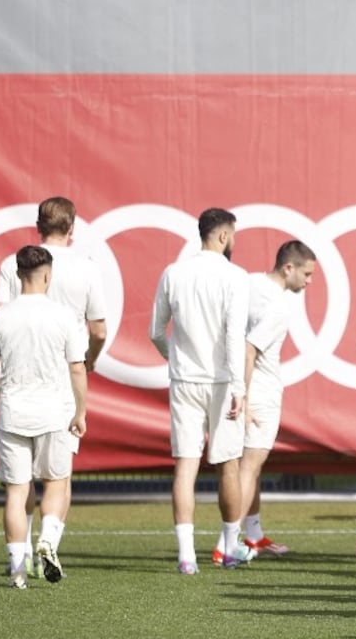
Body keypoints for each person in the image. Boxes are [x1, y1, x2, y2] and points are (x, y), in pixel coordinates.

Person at [0, 196, 107, 569]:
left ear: (38, 225)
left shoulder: (12, 263)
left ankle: (21, 556)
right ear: (72, 227)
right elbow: (98, 330)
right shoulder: (86, 268)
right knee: (58, 476)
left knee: (18, 480)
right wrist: (89, 359)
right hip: (61, 383)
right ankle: (47, 545)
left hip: (17, 381)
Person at [150, 207, 253, 574]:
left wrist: (175, 358)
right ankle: (229, 547)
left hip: (185, 381)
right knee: (228, 465)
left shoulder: (173, 273)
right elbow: (234, 335)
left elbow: (155, 332)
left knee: (186, 464)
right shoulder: (236, 276)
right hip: (223, 382)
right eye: (233, 235)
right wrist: (239, 386)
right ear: (223, 236)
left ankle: (187, 556)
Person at [0, 246, 88, 588]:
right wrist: (81, 411)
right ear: (48, 275)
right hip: (54, 413)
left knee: (16, 490)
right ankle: (48, 540)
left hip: (13, 412)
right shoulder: (64, 316)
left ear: (17, 275)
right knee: (56, 482)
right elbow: (77, 368)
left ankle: (17, 570)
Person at [209, 240, 316, 564]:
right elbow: (249, 350)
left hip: (236, 384)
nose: (309, 282)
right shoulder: (280, 306)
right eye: (306, 274)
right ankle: (226, 545)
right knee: (249, 466)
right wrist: (244, 396)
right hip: (259, 391)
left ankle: (253, 534)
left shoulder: (249, 282)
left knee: (249, 466)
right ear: (288, 268)